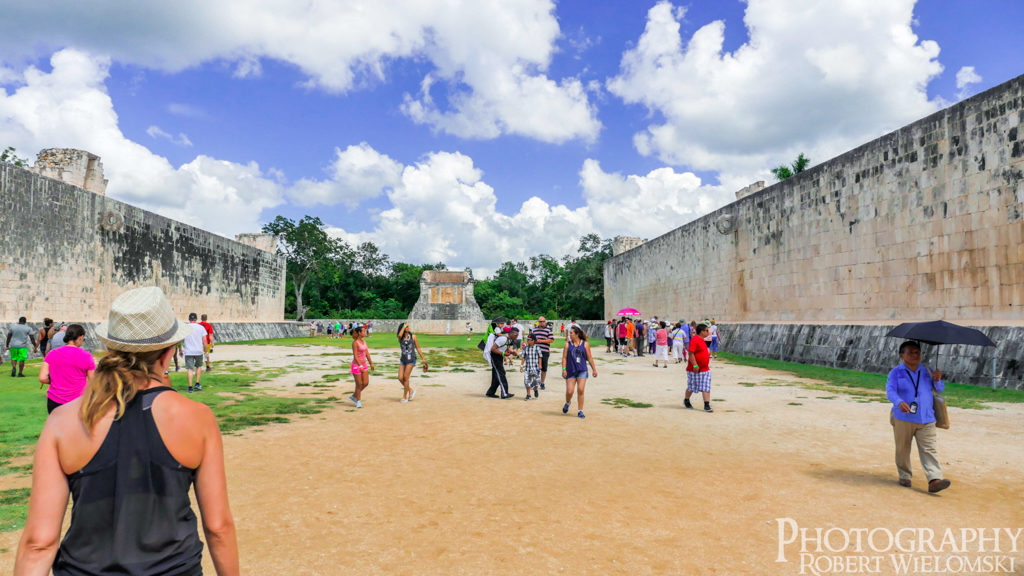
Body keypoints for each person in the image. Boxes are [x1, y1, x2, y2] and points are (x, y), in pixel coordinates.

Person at [14, 286, 239, 575]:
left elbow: (39, 543)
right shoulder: (197, 418)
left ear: (110, 349)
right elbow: (218, 528)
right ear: (168, 353)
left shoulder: (63, 420)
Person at [886, 341, 951, 493]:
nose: (915, 355)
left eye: (917, 352)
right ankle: (904, 475)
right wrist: (899, 401)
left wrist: (937, 379)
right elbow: (890, 391)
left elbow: (939, 389)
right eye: (911, 353)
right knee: (903, 448)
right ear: (902, 355)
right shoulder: (896, 372)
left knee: (929, 449)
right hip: (904, 418)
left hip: (927, 417)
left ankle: (934, 479)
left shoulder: (927, 370)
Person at [39, 324, 94, 414]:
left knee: (56, 427)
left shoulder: (52, 353)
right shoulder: (86, 356)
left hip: (54, 400)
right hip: (77, 401)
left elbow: (42, 378)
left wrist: (57, 379)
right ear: (80, 337)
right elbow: (93, 381)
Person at [561, 325, 597, 419]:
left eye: (571, 333)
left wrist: (594, 369)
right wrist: (564, 369)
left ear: (577, 334)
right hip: (570, 371)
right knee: (570, 391)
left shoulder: (585, 344)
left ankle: (580, 411)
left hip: (582, 370)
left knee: (581, 390)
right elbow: (564, 358)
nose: (569, 335)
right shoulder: (567, 345)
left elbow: (590, 358)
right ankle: (568, 403)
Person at [685, 323, 714, 413]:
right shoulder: (695, 339)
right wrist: (695, 365)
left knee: (706, 386)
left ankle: (706, 405)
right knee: (691, 387)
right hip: (694, 369)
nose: (708, 332)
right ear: (702, 332)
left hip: (705, 369)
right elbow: (690, 353)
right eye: (707, 330)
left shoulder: (702, 340)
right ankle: (686, 400)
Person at [396, 323, 428, 403]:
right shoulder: (400, 338)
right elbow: (400, 335)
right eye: (406, 327)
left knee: (405, 377)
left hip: (411, 360)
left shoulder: (413, 337)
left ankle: (404, 397)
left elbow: (418, 348)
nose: (408, 328)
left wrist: (423, 358)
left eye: (408, 326)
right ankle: (410, 390)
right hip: (403, 359)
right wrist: (403, 326)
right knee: (400, 378)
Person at [483, 322, 515, 399]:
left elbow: (504, 348)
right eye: (515, 334)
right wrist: (503, 354)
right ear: (510, 333)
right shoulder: (503, 339)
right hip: (495, 357)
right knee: (501, 374)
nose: (516, 336)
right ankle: (504, 393)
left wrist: (511, 352)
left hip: (499, 356)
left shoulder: (508, 340)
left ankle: (490, 392)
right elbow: (493, 349)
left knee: (497, 375)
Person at [349, 324, 374, 408]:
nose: (365, 332)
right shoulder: (355, 343)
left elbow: (367, 353)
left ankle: (354, 396)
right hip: (356, 365)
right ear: (359, 333)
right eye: (363, 331)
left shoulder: (364, 341)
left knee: (366, 383)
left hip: (364, 364)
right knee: (359, 384)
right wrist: (360, 366)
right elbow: (355, 356)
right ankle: (358, 401)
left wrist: (371, 363)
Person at [183, 313, 206, 393]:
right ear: (196, 319)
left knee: (190, 369)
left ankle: (190, 387)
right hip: (198, 350)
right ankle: (197, 383)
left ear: (189, 319)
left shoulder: (185, 328)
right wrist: (206, 350)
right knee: (199, 366)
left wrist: (180, 349)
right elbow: (204, 341)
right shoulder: (201, 328)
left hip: (188, 351)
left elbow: (181, 339)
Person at [531, 317, 554, 390]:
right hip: (535, 351)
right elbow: (531, 339)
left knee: (544, 369)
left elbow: (551, 340)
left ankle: (542, 382)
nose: (542, 323)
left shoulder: (548, 330)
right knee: (534, 368)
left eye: (543, 321)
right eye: (540, 321)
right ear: (538, 322)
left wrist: (541, 341)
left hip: (544, 352)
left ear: (545, 322)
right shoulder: (534, 330)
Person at [520, 333, 542, 400]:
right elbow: (523, 357)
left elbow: (540, 356)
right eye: (527, 339)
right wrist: (521, 366)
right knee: (527, 382)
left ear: (533, 340)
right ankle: (528, 395)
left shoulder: (537, 348)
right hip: (528, 368)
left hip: (536, 368)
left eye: (529, 339)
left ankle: (535, 389)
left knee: (536, 381)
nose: (528, 341)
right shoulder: (525, 348)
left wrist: (540, 365)